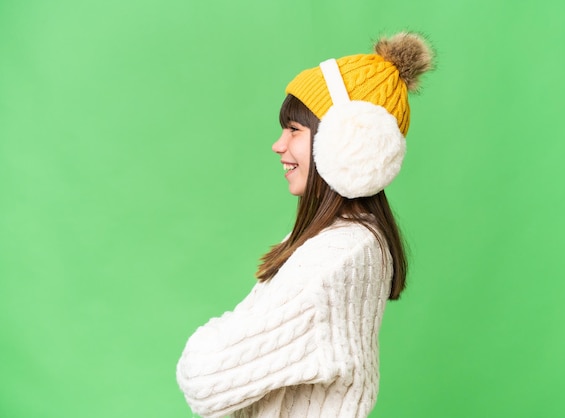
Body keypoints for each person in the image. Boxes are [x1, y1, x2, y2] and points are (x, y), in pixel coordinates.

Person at [176, 32, 433, 418]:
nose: (279, 145)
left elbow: (203, 376)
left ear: (348, 143)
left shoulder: (336, 257)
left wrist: (215, 338)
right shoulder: (346, 242)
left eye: (294, 129)